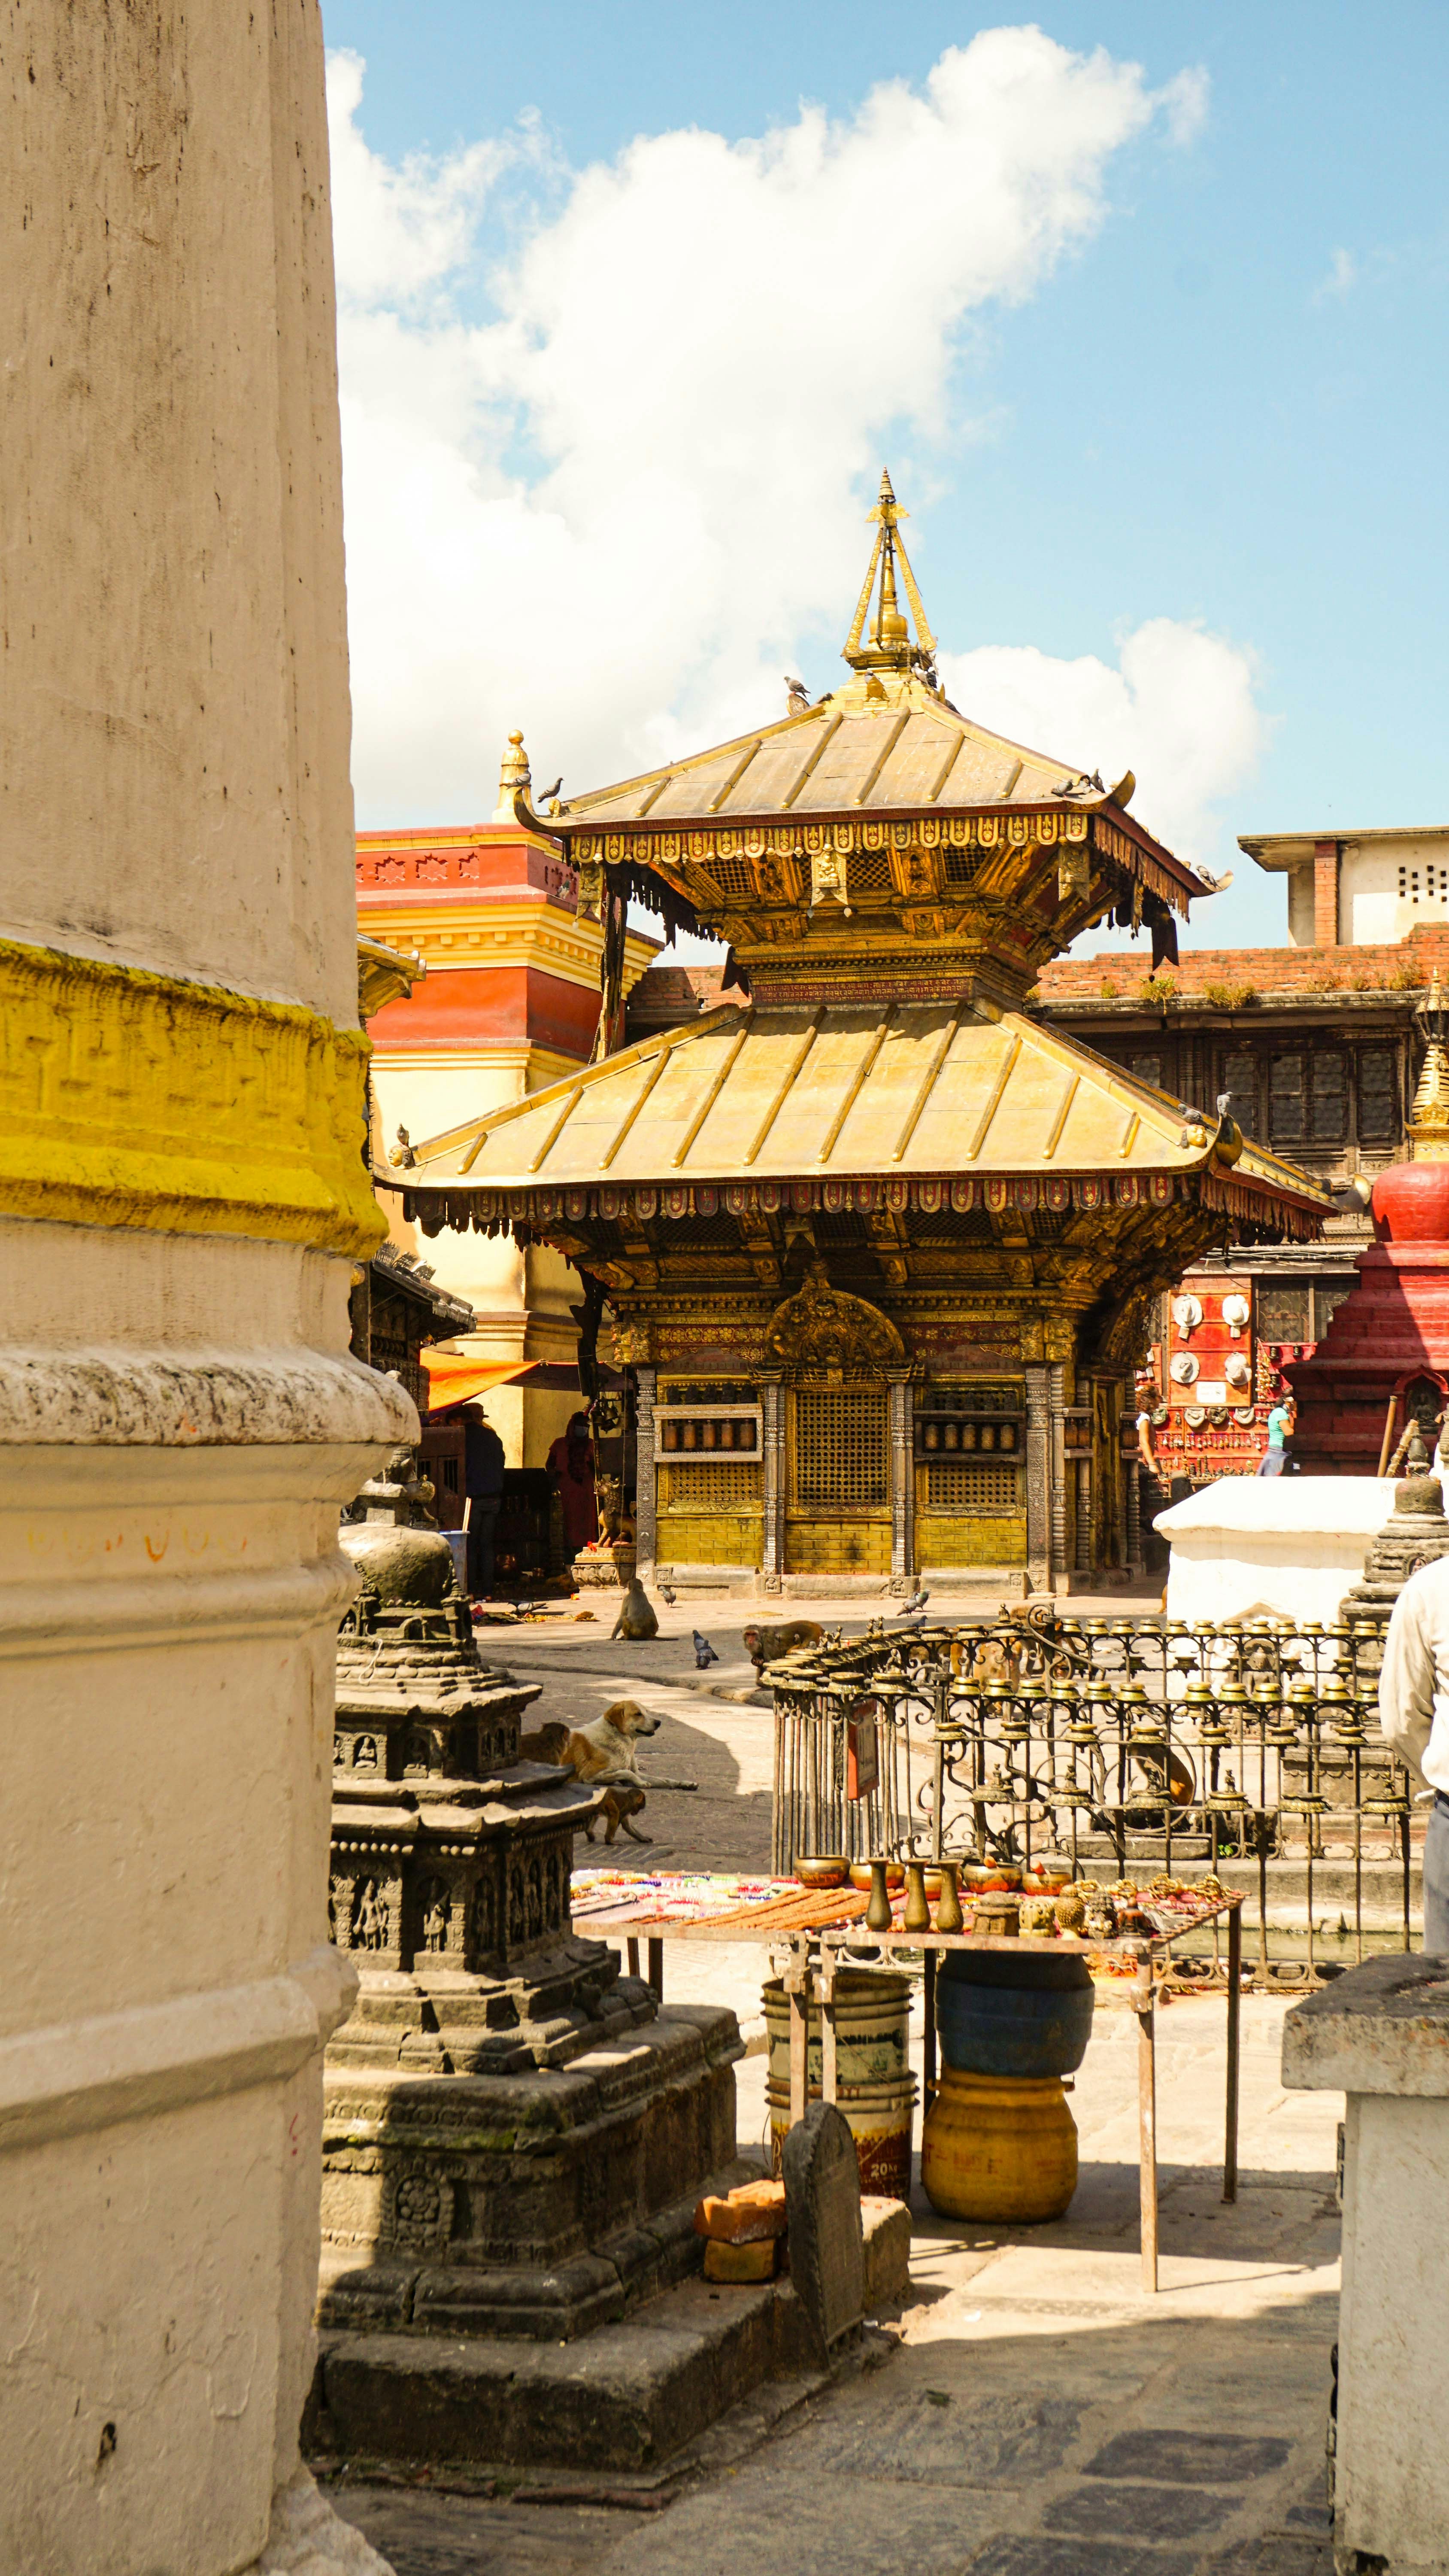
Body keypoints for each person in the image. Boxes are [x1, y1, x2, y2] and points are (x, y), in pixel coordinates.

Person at [1380, 1560, 1449, 1953]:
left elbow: (1402, 1719)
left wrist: (1439, 1780)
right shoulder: (1429, 1589)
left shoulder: (1432, 1589)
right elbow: (1402, 1720)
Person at [460, 1403, 505, 1597]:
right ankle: (488, 1591)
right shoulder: (492, 1437)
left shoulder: (462, 1436)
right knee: (487, 1544)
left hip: (473, 1498)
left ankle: (470, 1590)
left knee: (470, 1545)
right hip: (494, 1497)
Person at [546, 1410, 597, 1559]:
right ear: (572, 1426)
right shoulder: (559, 1444)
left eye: (586, 1426)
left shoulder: (591, 1445)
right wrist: (556, 1479)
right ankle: (568, 1559)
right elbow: (549, 1465)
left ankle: (587, 1555)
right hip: (566, 1492)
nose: (584, 1429)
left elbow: (597, 1468)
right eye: (580, 1426)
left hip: (586, 1492)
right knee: (567, 1525)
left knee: (586, 1525)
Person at [1256, 1395, 1294, 1476]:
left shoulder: (1277, 1412)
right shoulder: (1281, 1412)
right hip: (1280, 1453)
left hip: (1276, 1452)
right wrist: (1293, 1415)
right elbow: (1289, 1433)